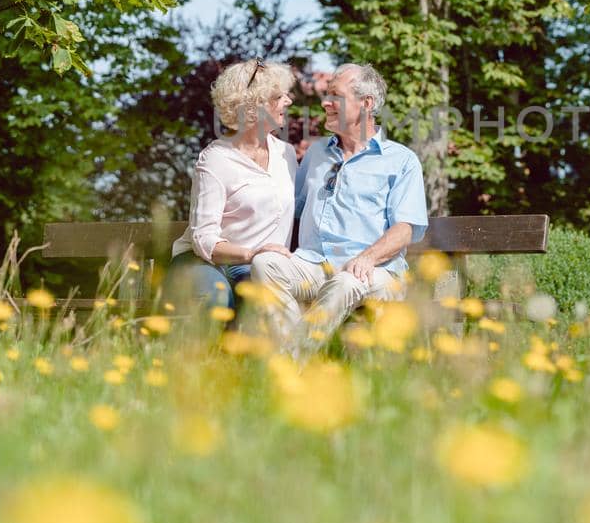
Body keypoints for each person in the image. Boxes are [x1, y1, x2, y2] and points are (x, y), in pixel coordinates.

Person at [250, 62, 428, 351]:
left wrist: (368, 258)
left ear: (366, 103)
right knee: (264, 264)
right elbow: (288, 210)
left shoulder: (402, 160)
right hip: (312, 266)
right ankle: (298, 360)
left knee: (347, 282)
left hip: (373, 271)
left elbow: (405, 229)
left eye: (336, 96)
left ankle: (288, 366)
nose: (326, 103)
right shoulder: (316, 153)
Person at [167, 59, 297, 313]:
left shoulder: (287, 154)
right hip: (205, 262)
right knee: (215, 299)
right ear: (254, 105)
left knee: (263, 304)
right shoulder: (216, 158)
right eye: (279, 96)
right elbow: (203, 240)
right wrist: (251, 254)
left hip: (260, 268)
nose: (288, 101)